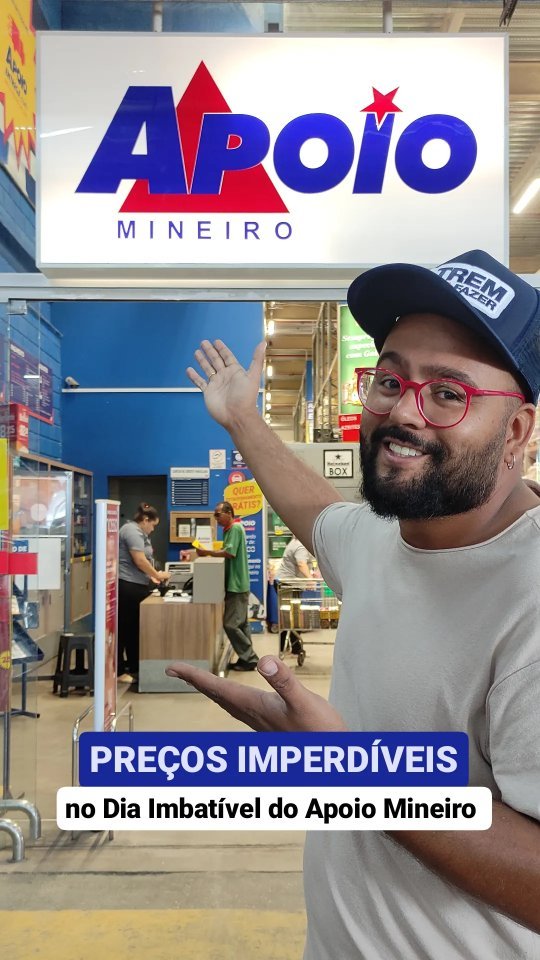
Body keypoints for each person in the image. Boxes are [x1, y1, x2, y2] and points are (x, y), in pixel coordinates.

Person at [167, 248, 540, 957]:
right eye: (391, 378)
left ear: (518, 431)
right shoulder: (388, 539)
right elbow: (320, 513)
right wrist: (243, 421)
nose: (403, 412)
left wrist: (352, 769)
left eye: (448, 393)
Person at [194, 501, 259, 671]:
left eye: (218, 514)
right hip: (236, 583)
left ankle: (250, 657)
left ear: (229, 513)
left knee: (230, 624)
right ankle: (247, 658)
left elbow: (230, 552)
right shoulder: (229, 530)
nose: (216, 518)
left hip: (236, 585)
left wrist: (206, 552)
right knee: (242, 624)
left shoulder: (235, 529)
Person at [117, 502, 169, 683]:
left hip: (137, 584)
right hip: (127, 585)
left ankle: (134, 667)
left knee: (133, 629)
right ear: (145, 519)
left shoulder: (139, 533)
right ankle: (120, 671)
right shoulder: (131, 531)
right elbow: (139, 560)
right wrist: (157, 575)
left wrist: (152, 577)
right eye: (153, 525)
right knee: (125, 628)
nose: (153, 530)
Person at [275, 536, 314, 655]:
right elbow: (301, 563)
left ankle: (291, 646)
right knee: (291, 616)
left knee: (289, 615)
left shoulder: (296, 542)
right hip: (289, 585)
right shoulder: (301, 546)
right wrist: (310, 579)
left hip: (289, 583)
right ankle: (292, 647)